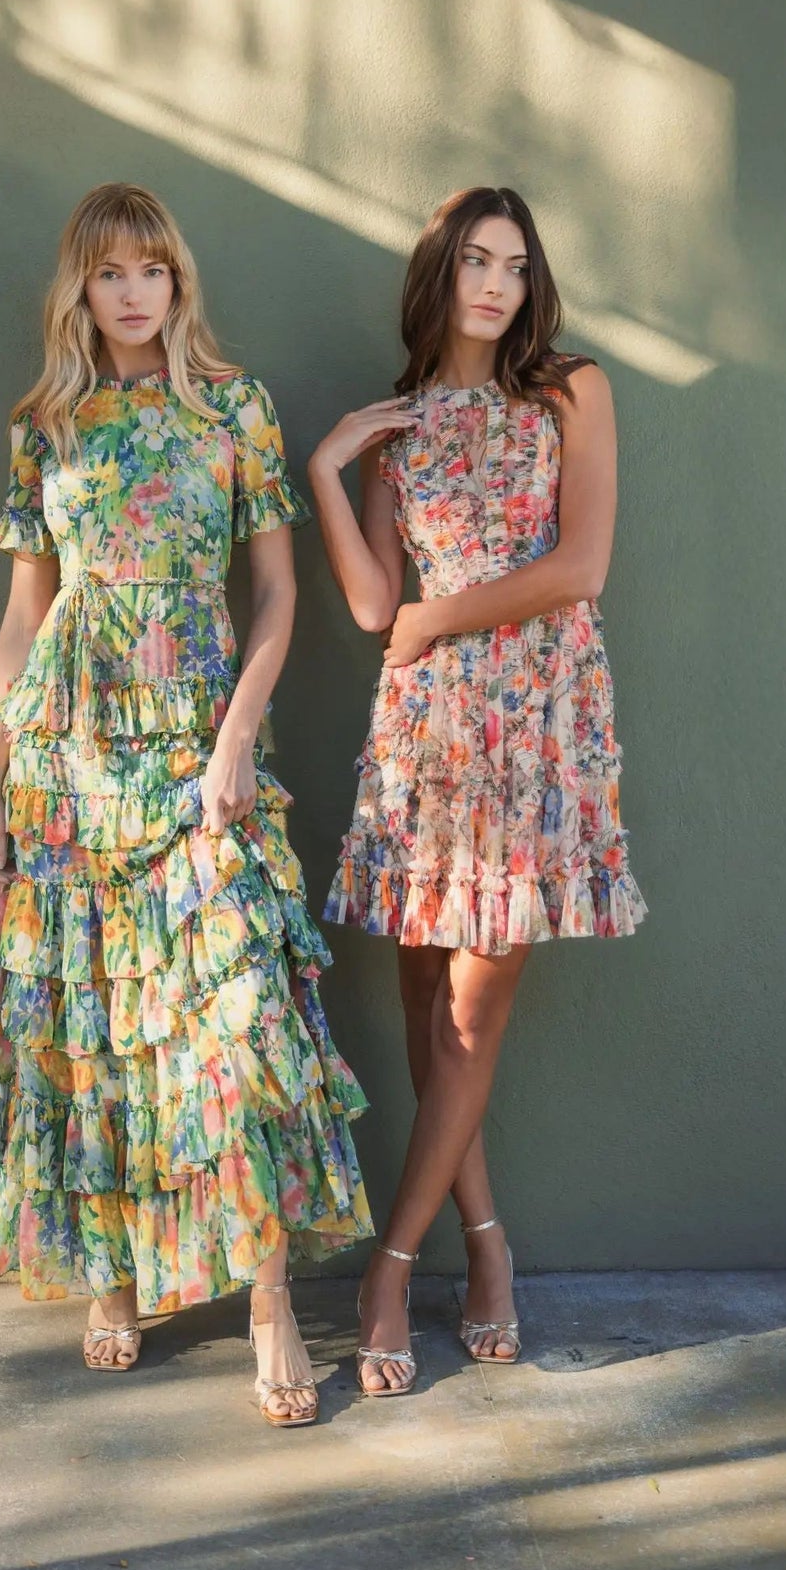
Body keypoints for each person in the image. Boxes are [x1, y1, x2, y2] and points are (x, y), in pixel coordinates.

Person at [0, 182, 372, 1427]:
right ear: (81, 292)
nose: (133, 292)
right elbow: (27, 614)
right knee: (93, 1020)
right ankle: (114, 1277)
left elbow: (278, 595)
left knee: (236, 1019)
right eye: (109, 273)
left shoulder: (234, 409)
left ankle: (267, 1306)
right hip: (71, 756)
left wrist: (237, 740)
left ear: (178, 282)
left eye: (151, 269)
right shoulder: (48, 423)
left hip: (201, 744)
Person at [309, 186, 646, 1397]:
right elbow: (369, 605)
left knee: (471, 1018)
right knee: (425, 1008)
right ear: (440, 273)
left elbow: (581, 566)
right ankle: (489, 1244)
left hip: (538, 722)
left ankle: (391, 1271)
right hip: (429, 735)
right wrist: (326, 466)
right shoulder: (398, 422)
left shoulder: (571, 390)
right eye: (475, 262)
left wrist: (437, 617)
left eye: (515, 264)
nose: (497, 285)